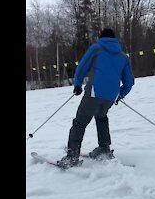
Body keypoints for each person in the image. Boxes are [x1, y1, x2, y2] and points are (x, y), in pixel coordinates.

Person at [57, 28, 135, 169]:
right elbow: (129, 82)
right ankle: (104, 149)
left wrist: (78, 85)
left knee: (79, 123)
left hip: (94, 93)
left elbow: (81, 68)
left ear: (101, 38)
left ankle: (72, 157)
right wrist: (120, 94)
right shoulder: (123, 56)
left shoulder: (97, 49)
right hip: (110, 96)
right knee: (101, 117)